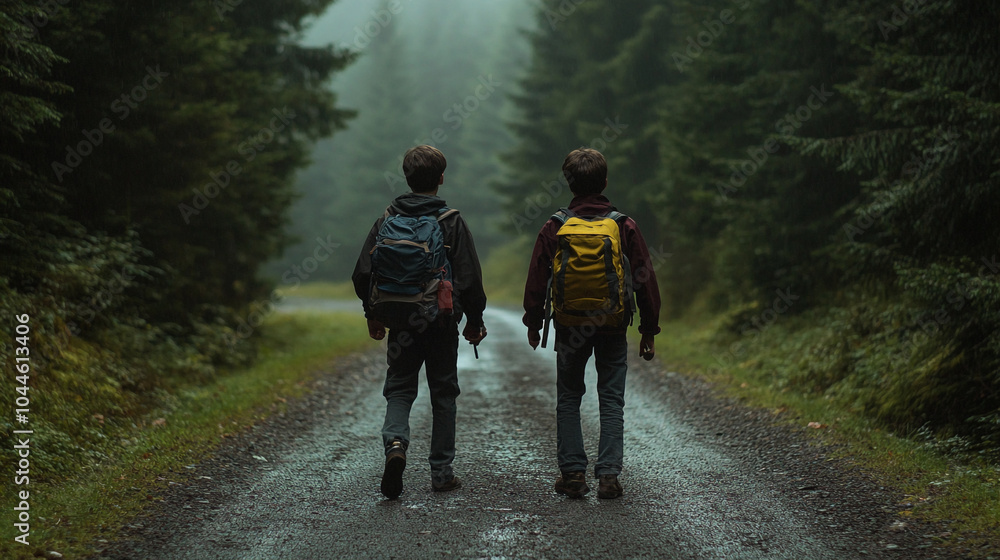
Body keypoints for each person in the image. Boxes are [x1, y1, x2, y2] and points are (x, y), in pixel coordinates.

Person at [522, 148, 661, 499]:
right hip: (613, 322)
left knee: (569, 397)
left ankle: (572, 475)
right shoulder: (621, 224)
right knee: (611, 399)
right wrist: (648, 327)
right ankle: (609, 475)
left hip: (570, 324)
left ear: (569, 184)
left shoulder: (555, 225)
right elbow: (644, 276)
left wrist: (534, 321)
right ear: (605, 181)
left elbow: (538, 276)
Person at [352, 145, 487, 499]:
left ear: (407, 178)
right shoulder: (451, 221)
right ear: (441, 179)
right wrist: (474, 319)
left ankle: (396, 443)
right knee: (443, 393)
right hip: (440, 323)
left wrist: (373, 314)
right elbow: (470, 278)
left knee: (399, 389)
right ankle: (441, 473)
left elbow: (362, 273)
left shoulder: (387, 218)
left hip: (400, 322)